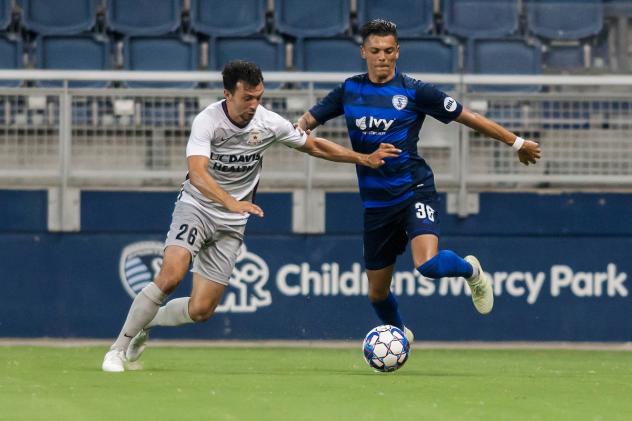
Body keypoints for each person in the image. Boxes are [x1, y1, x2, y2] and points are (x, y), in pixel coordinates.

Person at [102, 60, 401, 372]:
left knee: (202, 309)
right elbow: (198, 173)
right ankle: (117, 349)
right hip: (197, 207)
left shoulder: (268, 122)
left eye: (259, 97)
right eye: (248, 98)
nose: (254, 104)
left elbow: (313, 145)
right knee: (171, 276)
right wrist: (230, 201)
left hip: (232, 223)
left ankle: (145, 324)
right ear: (228, 94)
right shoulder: (208, 121)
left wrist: (362, 157)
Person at [296, 19, 542, 339]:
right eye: (375, 51)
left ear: (397, 52)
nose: (382, 57)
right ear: (363, 52)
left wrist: (517, 143)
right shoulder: (348, 90)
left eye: (388, 51)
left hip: (414, 188)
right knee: (377, 295)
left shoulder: (415, 90)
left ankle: (472, 271)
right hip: (376, 204)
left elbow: (469, 117)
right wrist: (292, 129)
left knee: (426, 265)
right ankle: (400, 336)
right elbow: (305, 124)